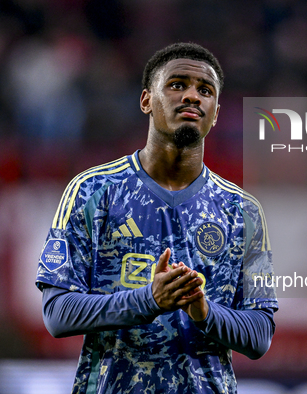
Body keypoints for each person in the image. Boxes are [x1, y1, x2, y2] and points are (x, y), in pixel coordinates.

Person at [36, 42, 278, 394]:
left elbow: (259, 335)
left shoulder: (243, 212)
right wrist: (149, 300)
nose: (193, 96)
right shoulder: (92, 191)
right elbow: (57, 313)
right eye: (177, 84)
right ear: (146, 100)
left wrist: (204, 311)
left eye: (205, 90)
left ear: (215, 112)